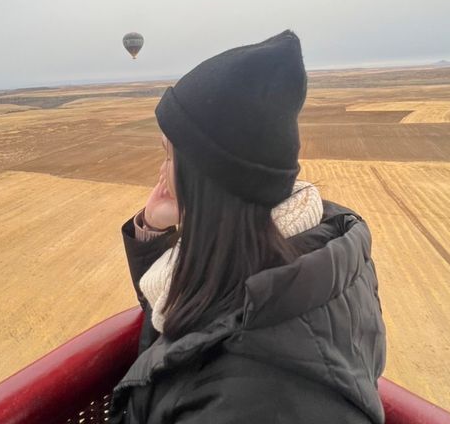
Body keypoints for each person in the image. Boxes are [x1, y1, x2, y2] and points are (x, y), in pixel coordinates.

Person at [107, 30, 387, 424]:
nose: (161, 172)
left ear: (212, 183)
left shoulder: (243, 395)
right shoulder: (309, 248)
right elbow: (188, 322)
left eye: (170, 157)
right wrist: (153, 232)